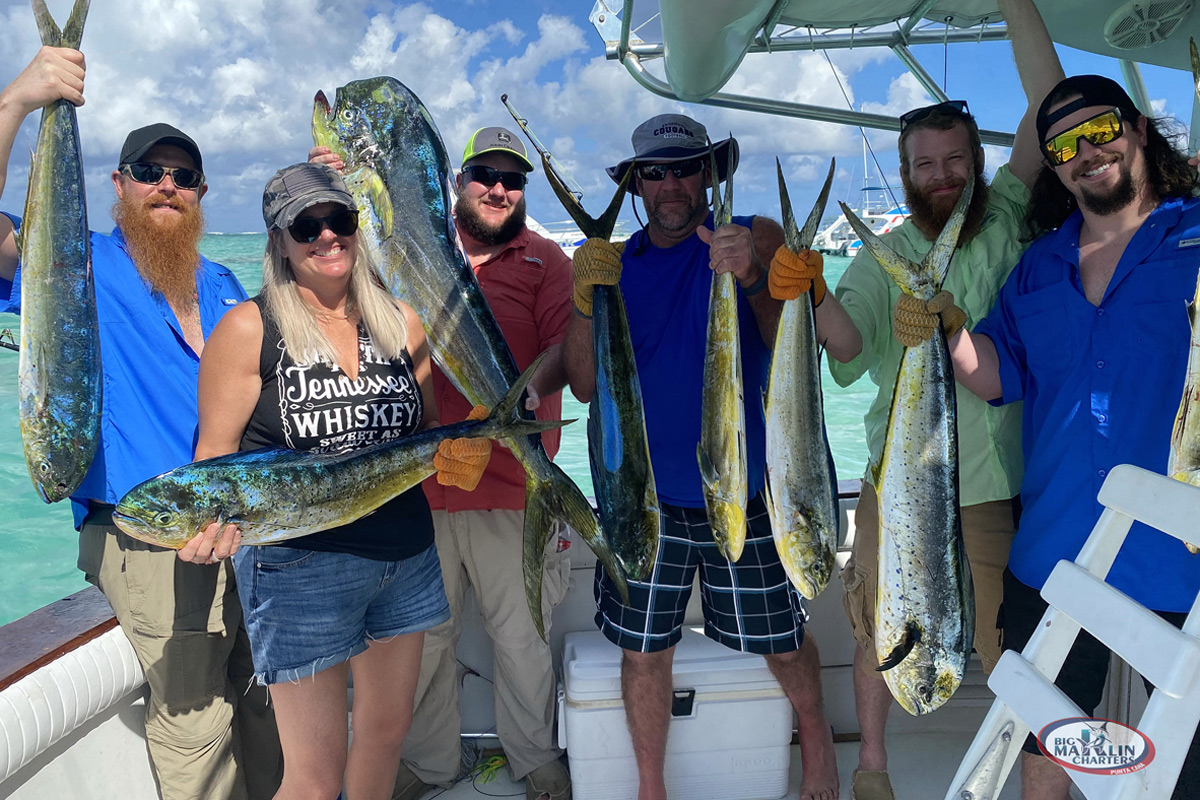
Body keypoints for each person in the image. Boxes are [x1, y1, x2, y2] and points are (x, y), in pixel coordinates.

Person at [765, 2, 1063, 797]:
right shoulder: (885, 255)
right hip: (898, 484)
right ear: (904, 174)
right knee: (878, 628)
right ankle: (873, 773)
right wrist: (813, 289)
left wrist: (1016, 5)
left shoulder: (1005, 216)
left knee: (1014, 645)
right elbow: (851, 345)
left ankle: (1019, 773)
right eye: (925, 165)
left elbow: (1047, 106)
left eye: (955, 160)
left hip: (1000, 481)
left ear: (978, 161)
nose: (942, 177)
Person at [0, 46, 282, 800]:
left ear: (201, 192)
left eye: (182, 176)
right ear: (118, 186)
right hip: (152, 543)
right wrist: (16, 105)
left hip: (249, 533)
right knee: (196, 723)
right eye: (150, 173)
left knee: (266, 705)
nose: (167, 185)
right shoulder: (77, 267)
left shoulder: (225, 283)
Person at [178, 162, 495, 800]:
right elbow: (211, 463)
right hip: (298, 573)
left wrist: (464, 453)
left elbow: (425, 433)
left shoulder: (402, 320)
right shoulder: (247, 329)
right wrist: (200, 531)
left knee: (384, 735)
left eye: (339, 219)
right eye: (306, 224)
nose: (327, 236)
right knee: (315, 778)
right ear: (279, 240)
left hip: (405, 555)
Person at [564, 113, 840, 800]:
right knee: (644, 650)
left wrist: (751, 274)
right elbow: (580, 383)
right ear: (636, 185)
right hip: (644, 499)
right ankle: (650, 785)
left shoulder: (756, 236)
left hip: (745, 491)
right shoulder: (616, 266)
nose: (671, 184)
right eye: (654, 172)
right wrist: (581, 300)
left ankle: (819, 741)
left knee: (780, 640)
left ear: (709, 173)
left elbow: (790, 343)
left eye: (686, 167)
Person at [946, 74, 1200, 800]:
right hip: (1059, 546)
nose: (1087, 152)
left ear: (1140, 130)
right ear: (1054, 166)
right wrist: (951, 330)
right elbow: (995, 375)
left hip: (1183, 552)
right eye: (1065, 145)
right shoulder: (1039, 265)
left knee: (1187, 755)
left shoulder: (1195, 235)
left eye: (1101, 130)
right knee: (1045, 732)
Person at [312, 125, 574, 800]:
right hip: (417, 489)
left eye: (512, 180)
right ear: (455, 184)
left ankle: (536, 757)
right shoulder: (402, 254)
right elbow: (327, 284)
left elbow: (566, 360)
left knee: (523, 638)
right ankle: (430, 763)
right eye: (484, 174)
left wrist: (503, 410)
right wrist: (330, 192)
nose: (497, 188)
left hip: (516, 488)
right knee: (420, 644)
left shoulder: (548, 262)